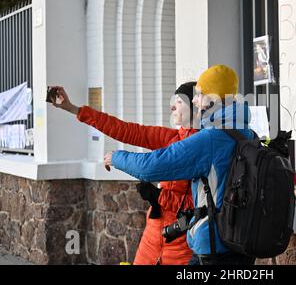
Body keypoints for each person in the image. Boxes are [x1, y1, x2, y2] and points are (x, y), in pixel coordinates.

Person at [105, 65, 256, 265]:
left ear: (214, 100)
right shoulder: (247, 134)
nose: (194, 99)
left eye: (200, 94)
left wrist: (116, 157)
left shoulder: (210, 138)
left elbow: (152, 166)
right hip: (241, 244)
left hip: (213, 248)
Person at [49, 82, 198, 265]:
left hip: (182, 243)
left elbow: (199, 204)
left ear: (195, 107)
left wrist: (159, 196)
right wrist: (73, 109)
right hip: (153, 235)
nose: (172, 107)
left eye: (180, 102)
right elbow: (126, 130)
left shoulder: (203, 146)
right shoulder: (172, 138)